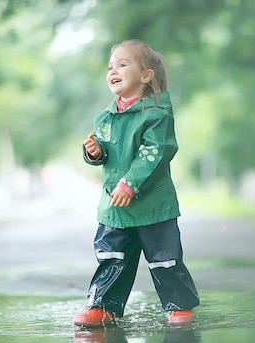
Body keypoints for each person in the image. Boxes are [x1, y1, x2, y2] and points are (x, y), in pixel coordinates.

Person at [73, 40, 200, 327]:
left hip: (153, 205)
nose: (113, 70)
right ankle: (102, 307)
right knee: (112, 256)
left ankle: (179, 305)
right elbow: (107, 151)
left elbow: (155, 153)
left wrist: (130, 183)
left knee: (164, 258)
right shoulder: (105, 118)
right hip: (114, 206)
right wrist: (95, 152)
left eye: (122, 64)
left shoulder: (156, 115)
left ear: (146, 76)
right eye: (110, 66)